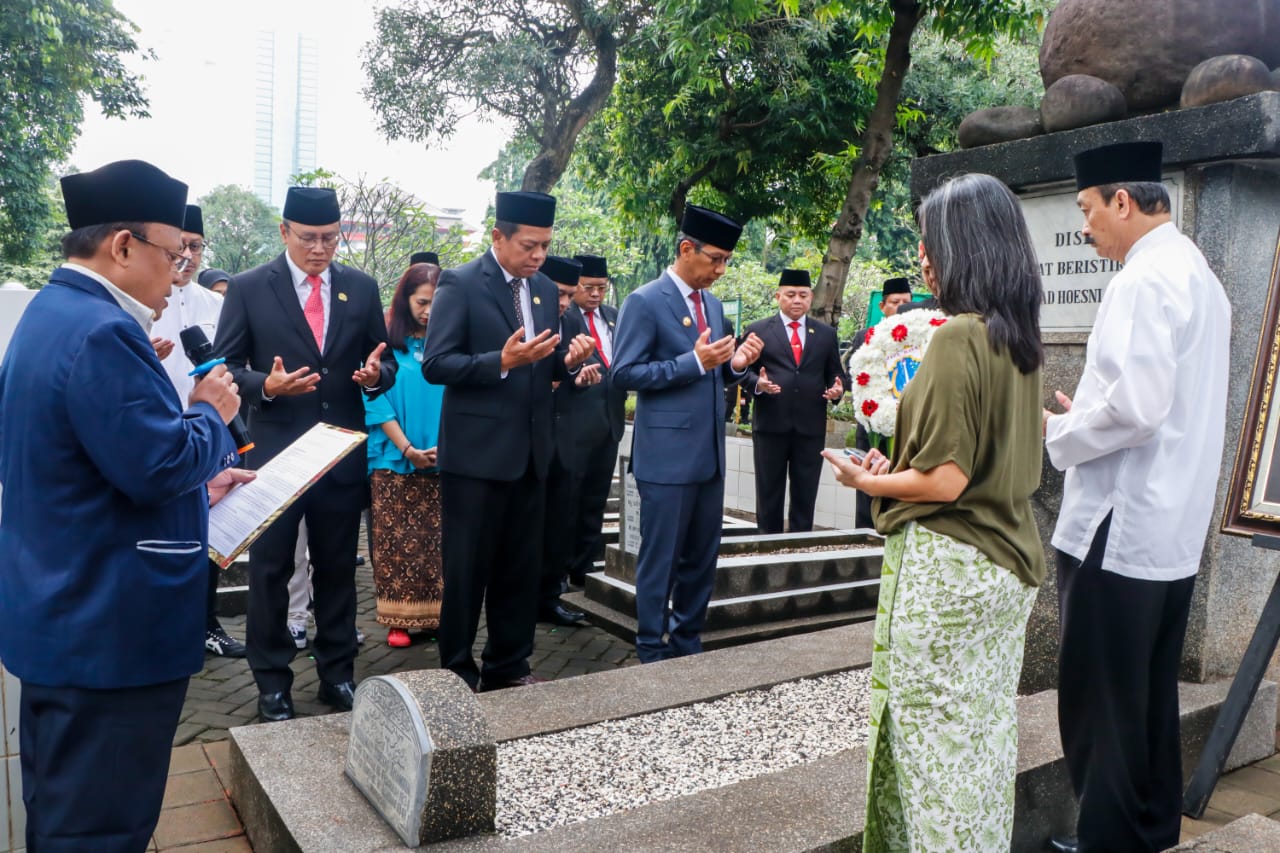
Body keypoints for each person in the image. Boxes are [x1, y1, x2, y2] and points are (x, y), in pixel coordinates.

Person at [0, 159, 249, 850]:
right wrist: (210, 414)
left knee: (63, 811)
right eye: (174, 254)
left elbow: (79, 464)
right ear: (121, 246)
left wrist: (201, 484)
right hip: (108, 630)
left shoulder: (50, 313)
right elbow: (157, 461)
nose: (179, 273)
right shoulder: (103, 331)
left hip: (60, 613)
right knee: (101, 826)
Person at [823, 172, 1046, 852]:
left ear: (966, 246)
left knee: (930, 753)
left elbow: (946, 480)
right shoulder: (1020, 339)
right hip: (1005, 567)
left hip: (949, 568)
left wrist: (869, 479)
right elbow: (974, 461)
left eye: (932, 242)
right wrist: (906, 472)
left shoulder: (955, 339)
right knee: (976, 745)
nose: (923, 257)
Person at [1043, 141, 1231, 853]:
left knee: (1100, 700)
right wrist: (1089, 403)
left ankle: (1107, 840)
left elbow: (1139, 411)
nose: (1086, 226)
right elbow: (1156, 401)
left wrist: (1059, 427)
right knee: (1148, 697)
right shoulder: (1199, 276)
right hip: (1171, 529)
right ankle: (1150, 831)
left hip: (1118, 530)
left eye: (1089, 210)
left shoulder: (1141, 280)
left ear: (1123, 201)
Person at [214, 185, 397, 722]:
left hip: (339, 451)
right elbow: (225, 367)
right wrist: (267, 387)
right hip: (275, 455)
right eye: (309, 238)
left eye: (330, 239)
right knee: (270, 569)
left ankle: (338, 674)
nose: (320, 249)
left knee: (338, 567)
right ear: (284, 233)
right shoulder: (249, 288)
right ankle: (272, 682)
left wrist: (372, 376)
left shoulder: (360, 288)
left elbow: (382, 361)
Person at [422, 191, 594, 691]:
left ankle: (508, 666)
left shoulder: (541, 289)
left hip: (532, 455)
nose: (538, 256)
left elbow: (538, 363)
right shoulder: (460, 282)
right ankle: (456, 671)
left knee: (520, 571)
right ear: (498, 237)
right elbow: (437, 363)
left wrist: (563, 363)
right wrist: (500, 361)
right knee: (467, 572)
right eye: (529, 246)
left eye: (544, 246)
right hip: (476, 458)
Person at [611, 204, 764, 662]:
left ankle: (687, 643)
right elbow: (624, 372)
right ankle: (650, 648)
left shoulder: (713, 306)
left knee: (702, 559)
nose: (719, 270)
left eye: (725, 262)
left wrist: (735, 366)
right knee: (661, 560)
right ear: (685, 249)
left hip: (708, 456)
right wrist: (693, 361)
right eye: (714, 259)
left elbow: (713, 374)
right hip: (665, 458)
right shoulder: (645, 301)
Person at [151, 204, 247, 658]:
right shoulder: (147, 300)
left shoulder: (219, 305)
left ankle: (207, 624)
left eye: (195, 246)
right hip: (159, 428)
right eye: (180, 246)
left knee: (209, 531)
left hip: (211, 432)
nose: (187, 256)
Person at [365, 261, 446, 648]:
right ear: (405, 300)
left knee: (437, 541)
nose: (429, 310)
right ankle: (397, 617)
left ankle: (434, 615)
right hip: (395, 454)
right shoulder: (387, 346)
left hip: (443, 453)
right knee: (395, 541)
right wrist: (408, 448)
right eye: (422, 302)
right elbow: (375, 401)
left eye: (436, 302)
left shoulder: (448, 346)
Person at [740, 269, 844, 533]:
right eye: (791, 295)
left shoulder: (825, 334)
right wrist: (757, 385)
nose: (797, 300)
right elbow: (741, 371)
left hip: (810, 427)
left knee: (805, 492)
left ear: (810, 298)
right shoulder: (758, 330)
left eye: (803, 295)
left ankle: (800, 545)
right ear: (778, 296)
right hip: (770, 425)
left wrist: (837, 390)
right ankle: (767, 543)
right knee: (768, 490)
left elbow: (835, 373)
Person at [537, 255, 598, 626]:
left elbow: (571, 373)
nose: (562, 302)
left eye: (568, 295)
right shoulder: (525, 317)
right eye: (558, 293)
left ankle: (550, 595)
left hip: (565, 435)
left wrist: (578, 377)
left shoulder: (573, 319)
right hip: (528, 435)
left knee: (562, 519)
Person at [563, 253, 626, 586]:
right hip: (574, 423)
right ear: (575, 286)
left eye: (602, 288)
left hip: (609, 422)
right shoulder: (564, 316)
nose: (596, 295)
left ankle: (583, 568)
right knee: (568, 500)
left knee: (595, 499)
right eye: (589, 287)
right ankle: (558, 570)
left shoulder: (614, 317)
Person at [849, 276, 915, 529]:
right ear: (882, 306)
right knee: (867, 482)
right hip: (872, 424)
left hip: (907, 426)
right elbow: (854, 376)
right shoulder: (865, 336)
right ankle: (864, 533)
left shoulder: (917, 336)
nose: (900, 307)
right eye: (894, 302)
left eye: (906, 302)